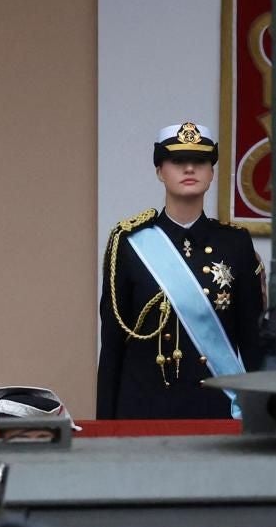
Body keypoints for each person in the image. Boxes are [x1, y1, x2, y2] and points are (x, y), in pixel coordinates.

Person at [97, 123, 266, 420]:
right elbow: (112, 347)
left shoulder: (235, 242)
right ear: (160, 171)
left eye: (200, 161)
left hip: (214, 408)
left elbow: (251, 340)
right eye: (177, 161)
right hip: (143, 410)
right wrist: (106, 428)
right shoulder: (128, 242)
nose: (189, 168)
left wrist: (262, 419)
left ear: (211, 173)